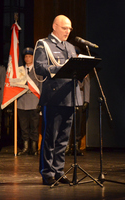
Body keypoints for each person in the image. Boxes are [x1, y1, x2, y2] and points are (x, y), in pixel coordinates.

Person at [34, 15, 83, 185]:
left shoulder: (70, 47)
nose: (68, 31)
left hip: (70, 97)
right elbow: (39, 66)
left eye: (69, 28)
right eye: (64, 28)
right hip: (54, 98)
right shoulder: (44, 44)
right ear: (55, 26)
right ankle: (47, 172)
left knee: (63, 138)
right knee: (50, 137)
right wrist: (61, 67)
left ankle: (59, 170)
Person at [17, 47, 42, 156]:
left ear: (33, 57)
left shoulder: (38, 71)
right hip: (22, 101)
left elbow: (41, 87)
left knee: (34, 126)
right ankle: (26, 147)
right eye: (26, 57)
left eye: (29, 56)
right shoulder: (20, 71)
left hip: (34, 101)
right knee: (24, 127)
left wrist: (41, 102)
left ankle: (34, 148)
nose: (27, 58)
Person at [66, 74, 90, 156]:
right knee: (67, 124)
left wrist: (86, 100)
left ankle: (76, 146)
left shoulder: (83, 69)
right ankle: (67, 146)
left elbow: (86, 84)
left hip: (80, 97)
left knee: (78, 124)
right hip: (68, 97)